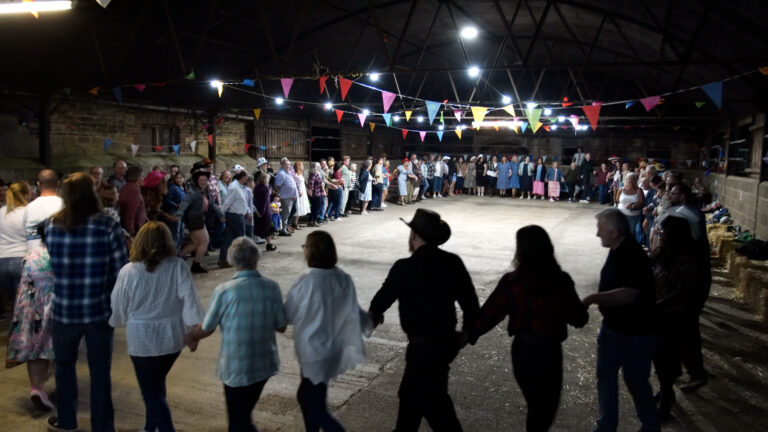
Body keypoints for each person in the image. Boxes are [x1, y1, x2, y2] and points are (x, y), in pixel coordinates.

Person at [369, 209, 479, 431]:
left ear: (413, 235)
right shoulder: (452, 262)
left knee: (433, 407)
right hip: (446, 344)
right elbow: (471, 304)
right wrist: (467, 335)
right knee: (417, 400)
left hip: (422, 348)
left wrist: (374, 315)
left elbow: (380, 301)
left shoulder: (404, 267)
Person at [470, 225, 588, 431]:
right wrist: (585, 303)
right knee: (543, 410)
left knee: (536, 406)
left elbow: (490, 314)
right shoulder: (560, 281)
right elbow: (579, 318)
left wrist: (467, 334)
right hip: (549, 351)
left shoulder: (513, 281)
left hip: (523, 351)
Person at [45, 172, 128, 432]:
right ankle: (102, 426)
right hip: (98, 310)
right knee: (100, 372)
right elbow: (120, 270)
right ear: (92, 193)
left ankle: (67, 422)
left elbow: (52, 266)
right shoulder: (107, 225)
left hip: (64, 310)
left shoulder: (51, 225)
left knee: (65, 369)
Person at [109, 221, 204, 432]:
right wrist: (194, 330)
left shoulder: (128, 272)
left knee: (151, 393)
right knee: (156, 386)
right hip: (172, 338)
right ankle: (150, 426)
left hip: (141, 340)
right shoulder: (177, 266)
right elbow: (190, 300)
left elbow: (118, 306)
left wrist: (117, 320)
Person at [187, 237, 287, 432]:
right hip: (264, 364)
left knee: (238, 420)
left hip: (236, 366)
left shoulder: (224, 291)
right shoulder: (272, 287)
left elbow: (207, 328)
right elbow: (281, 326)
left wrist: (191, 335)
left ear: (231, 260)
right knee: (243, 415)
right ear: (256, 259)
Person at [285, 230, 372, 432]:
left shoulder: (306, 282)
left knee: (314, 405)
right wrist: (370, 320)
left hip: (312, 352)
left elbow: (287, 314)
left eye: (305, 247)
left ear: (311, 252)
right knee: (308, 397)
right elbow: (354, 311)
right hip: (332, 349)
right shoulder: (343, 278)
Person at [582, 208, 660, 432]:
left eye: (601, 231)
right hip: (613, 329)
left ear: (614, 232)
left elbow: (629, 294)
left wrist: (591, 299)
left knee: (636, 382)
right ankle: (606, 426)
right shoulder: (617, 249)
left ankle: (651, 426)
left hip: (635, 332)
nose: (598, 235)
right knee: (605, 379)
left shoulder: (631, 254)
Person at [651, 216, 705, 419]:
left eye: (664, 231)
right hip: (657, 313)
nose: (660, 234)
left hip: (674, 316)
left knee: (667, 358)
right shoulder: (662, 252)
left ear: (674, 234)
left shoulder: (688, 257)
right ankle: (667, 392)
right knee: (658, 356)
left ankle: (665, 403)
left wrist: (661, 303)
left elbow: (685, 290)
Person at [6, 223, 56, 412]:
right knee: (57, 349)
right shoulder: (58, 254)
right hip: (49, 306)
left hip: (26, 307)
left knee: (35, 350)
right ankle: (63, 387)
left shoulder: (33, 253)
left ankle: (37, 389)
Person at [177, 169, 220, 274]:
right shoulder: (194, 191)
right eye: (201, 180)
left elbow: (211, 204)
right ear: (197, 180)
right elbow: (185, 204)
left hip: (200, 219)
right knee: (205, 242)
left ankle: (178, 258)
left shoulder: (203, 190)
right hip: (194, 220)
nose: (203, 181)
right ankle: (195, 264)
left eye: (205, 179)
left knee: (196, 243)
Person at [1, 182, 31, 321]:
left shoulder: (1, 211)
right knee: (22, 307)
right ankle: (21, 339)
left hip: (2, 262)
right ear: (26, 194)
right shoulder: (28, 211)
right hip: (21, 259)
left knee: (12, 303)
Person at [23, 170, 63, 253]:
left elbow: (25, 232)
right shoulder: (64, 204)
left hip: (35, 258)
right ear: (58, 183)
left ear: (38, 184)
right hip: (58, 253)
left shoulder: (29, 207)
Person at [218, 170, 249, 268]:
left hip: (236, 215)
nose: (247, 179)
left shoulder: (238, 186)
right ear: (243, 177)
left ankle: (224, 259)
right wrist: (221, 214)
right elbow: (227, 202)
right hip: (235, 216)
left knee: (229, 238)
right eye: (246, 177)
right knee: (240, 239)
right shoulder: (235, 187)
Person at [118, 166, 148, 237]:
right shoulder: (133, 190)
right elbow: (130, 213)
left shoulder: (129, 187)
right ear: (138, 177)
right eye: (142, 176)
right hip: (136, 230)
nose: (144, 178)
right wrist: (131, 232)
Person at [617, 172, 645, 245]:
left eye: (632, 179)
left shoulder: (639, 190)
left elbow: (642, 203)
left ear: (635, 180)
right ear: (626, 180)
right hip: (622, 215)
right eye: (628, 179)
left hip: (634, 217)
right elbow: (617, 200)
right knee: (621, 233)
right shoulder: (621, 189)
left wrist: (633, 205)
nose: (630, 180)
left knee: (631, 234)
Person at [253, 171, 277, 252]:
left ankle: (267, 244)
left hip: (257, 210)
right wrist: (262, 212)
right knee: (267, 229)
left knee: (258, 229)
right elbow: (264, 201)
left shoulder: (256, 188)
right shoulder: (265, 189)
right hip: (264, 212)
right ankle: (269, 244)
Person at [274, 157, 298, 236]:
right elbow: (277, 186)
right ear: (281, 164)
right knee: (285, 214)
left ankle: (285, 227)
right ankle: (283, 229)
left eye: (288, 164)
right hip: (285, 197)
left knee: (292, 211)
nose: (288, 166)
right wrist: (279, 195)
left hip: (290, 196)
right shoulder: (281, 173)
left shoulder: (288, 172)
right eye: (286, 164)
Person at [163, 172, 187, 250]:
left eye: (180, 178)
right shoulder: (173, 188)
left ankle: (178, 251)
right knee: (175, 234)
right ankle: (174, 251)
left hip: (183, 212)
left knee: (181, 233)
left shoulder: (184, 188)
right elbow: (167, 200)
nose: (179, 180)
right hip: (175, 212)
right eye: (177, 178)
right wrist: (176, 205)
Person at [294, 161, 311, 226]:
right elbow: (295, 184)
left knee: (301, 206)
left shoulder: (301, 174)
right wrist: (298, 191)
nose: (303, 166)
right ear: (298, 166)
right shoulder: (295, 174)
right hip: (299, 191)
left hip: (303, 191)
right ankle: (294, 223)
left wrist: (307, 190)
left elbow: (303, 184)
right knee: (298, 206)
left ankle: (296, 223)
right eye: (302, 165)